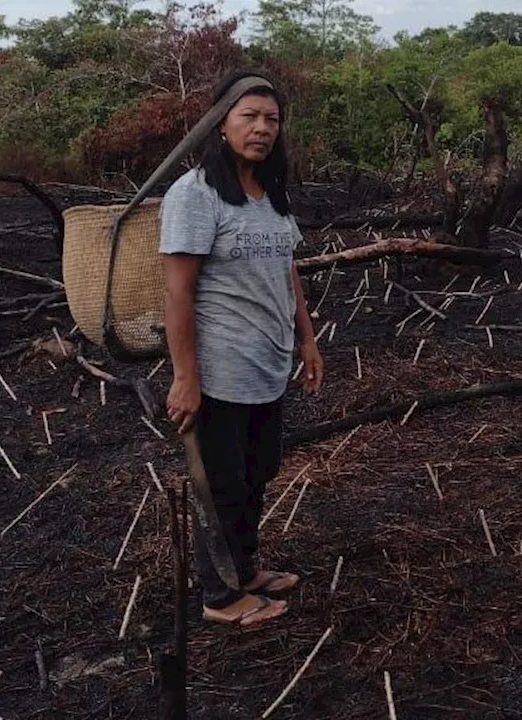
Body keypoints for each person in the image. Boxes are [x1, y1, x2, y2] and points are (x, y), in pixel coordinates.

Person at [158, 70, 325, 628]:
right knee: (222, 481)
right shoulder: (194, 195)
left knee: (258, 471)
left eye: (271, 119)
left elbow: (288, 271)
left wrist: (306, 338)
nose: (261, 128)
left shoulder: (271, 195)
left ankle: (246, 570)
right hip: (220, 367)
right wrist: (186, 376)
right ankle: (220, 596)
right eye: (248, 116)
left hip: (268, 362)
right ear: (221, 123)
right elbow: (178, 290)